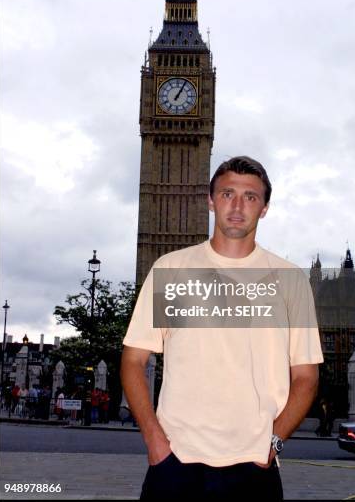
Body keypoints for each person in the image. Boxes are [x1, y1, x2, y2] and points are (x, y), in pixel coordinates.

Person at [121, 156, 324, 500]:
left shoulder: (290, 281)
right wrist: (154, 440)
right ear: (210, 200)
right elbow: (132, 360)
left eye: (250, 196)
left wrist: (273, 442)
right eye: (228, 193)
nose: (237, 205)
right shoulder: (171, 269)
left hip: (253, 465)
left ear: (264, 209)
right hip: (175, 461)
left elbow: (306, 376)